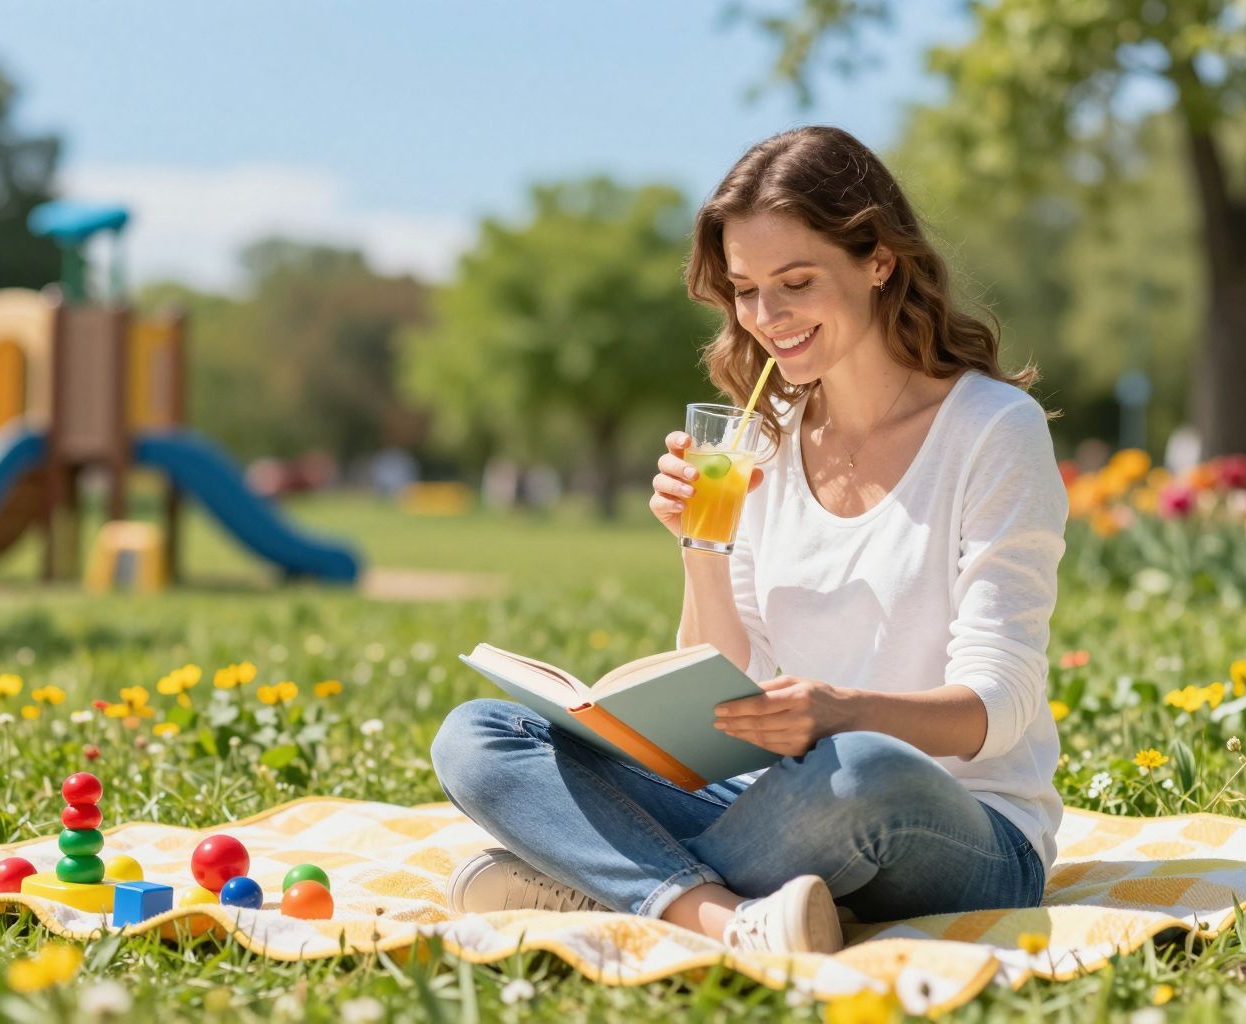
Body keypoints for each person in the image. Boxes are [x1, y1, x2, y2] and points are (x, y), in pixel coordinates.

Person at [430, 126, 1066, 955]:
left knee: (861, 766)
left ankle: (605, 882)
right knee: (479, 737)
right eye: (745, 290)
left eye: (796, 283)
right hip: (772, 800)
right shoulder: (760, 439)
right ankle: (726, 919)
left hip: (951, 824)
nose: (768, 319)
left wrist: (841, 713)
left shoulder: (992, 430)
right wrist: (702, 544)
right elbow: (721, 687)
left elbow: (998, 706)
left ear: (879, 260)